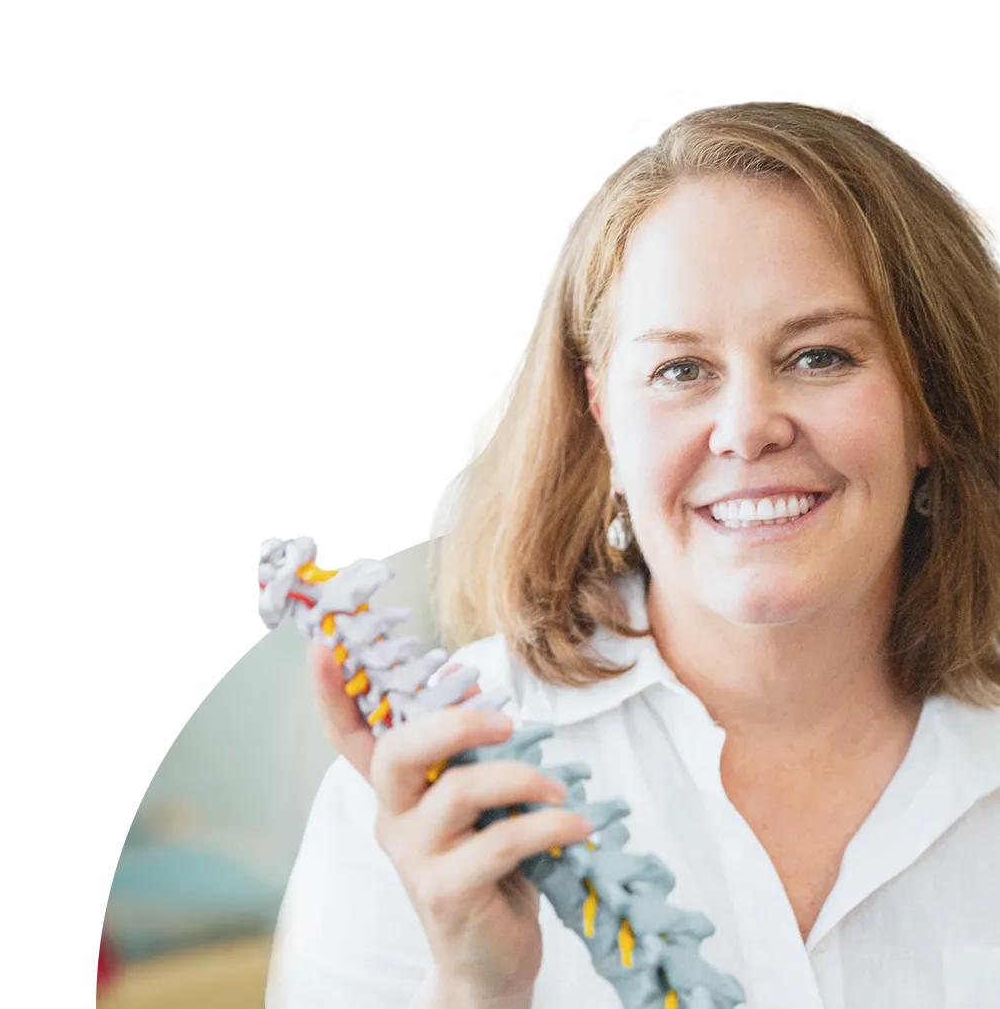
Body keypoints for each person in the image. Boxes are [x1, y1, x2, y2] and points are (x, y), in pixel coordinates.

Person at [265, 100, 1000, 1008]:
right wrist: (473, 986)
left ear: (928, 402)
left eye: (818, 356)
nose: (745, 428)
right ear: (603, 416)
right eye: (681, 370)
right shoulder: (420, 797)